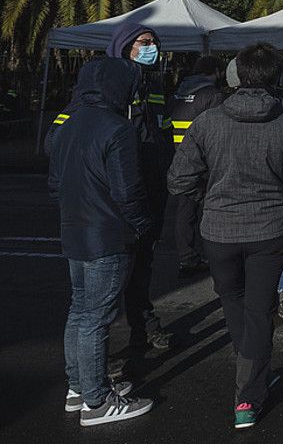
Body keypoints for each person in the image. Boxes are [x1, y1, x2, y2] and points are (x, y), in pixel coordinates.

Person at [168, 43, 283, 429]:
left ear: (236, 74)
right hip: (269, 229)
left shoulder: (208, 122)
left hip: (218, 229)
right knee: (259, 309)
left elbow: (178, 180)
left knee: (232, 300)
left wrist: (209, 194)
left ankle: (249, 373)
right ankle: (248, 392)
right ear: (276, 76)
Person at [48, 57, 154, 426]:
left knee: (80, 310)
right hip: (107, 235)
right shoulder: (118, 128)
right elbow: (127, 190)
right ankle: (97, 401)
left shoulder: (68, 124)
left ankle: (79, 387)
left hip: (73, 230)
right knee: (96, 318)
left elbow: (55, 184)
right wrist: (142, 225)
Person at [107, 23, 174, 352]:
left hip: (153, 189)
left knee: (143, 264)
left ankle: (142, 326)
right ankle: (98, 353)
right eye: (144, 42)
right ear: (124, 46)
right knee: (113, 271)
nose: (152, 48)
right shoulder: (110, 82)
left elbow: (161, 129)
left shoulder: (154, 83)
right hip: (123, 193)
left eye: (154, 43)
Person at [168, 55, 226, 276]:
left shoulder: (179, 91)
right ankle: (211, 254)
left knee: (185, 209)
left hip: (178, 157)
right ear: (217, 72)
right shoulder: (213, 95)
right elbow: (217, 131)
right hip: (202, 159)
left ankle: (186, 257)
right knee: (207, 210)